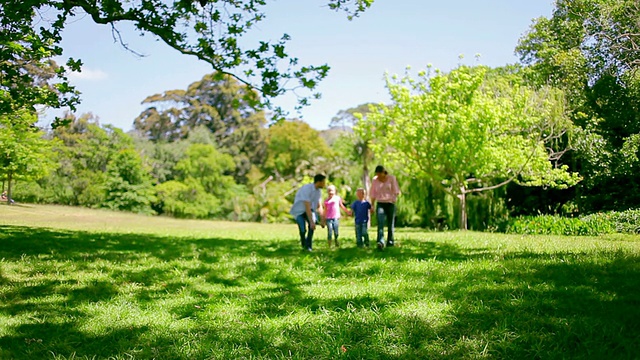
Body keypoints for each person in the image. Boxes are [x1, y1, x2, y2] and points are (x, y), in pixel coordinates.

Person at [290, 174, 327, 251]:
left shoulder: (319, 192)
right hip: (299, 211)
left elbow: (319, 206)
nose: (325, 184)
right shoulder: (307, 189)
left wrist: (323, 219)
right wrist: (311, 221)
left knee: (312, 227)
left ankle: (308, 246)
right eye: (323, 182)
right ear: (319, 182)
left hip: (310, 210)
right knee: (303, 229)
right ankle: (304, 244)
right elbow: (307, 206)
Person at [369, 165, 400, 250]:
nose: (378, 176)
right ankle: (380, 242)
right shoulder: (375, 180)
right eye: (377, 174)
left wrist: (393, 199)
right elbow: (373, 193)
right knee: (380, 223)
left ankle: (390, 241)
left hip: (390, 203)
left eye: (380, 174)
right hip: (380, 203)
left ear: (384, 172)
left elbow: (396, 191)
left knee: (390, 224)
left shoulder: (391, 178)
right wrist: (372, 205)